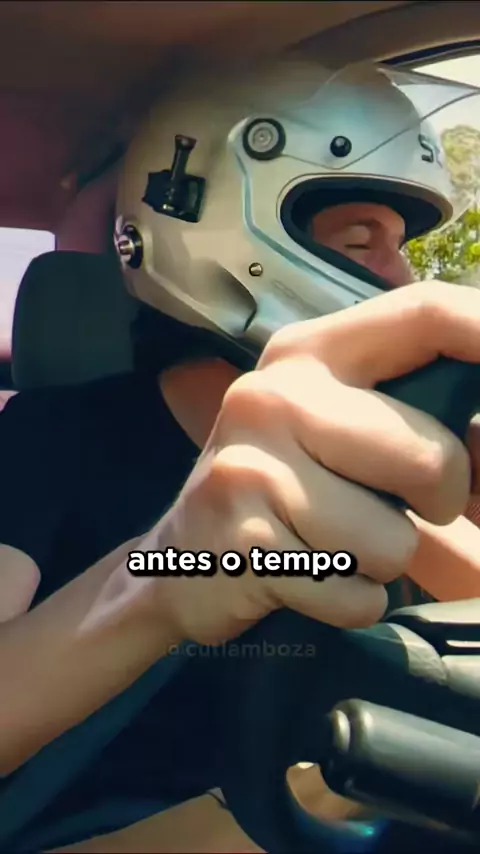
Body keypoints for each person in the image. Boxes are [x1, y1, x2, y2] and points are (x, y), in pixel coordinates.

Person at [1, 56, 480, 853]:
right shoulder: (53, 435)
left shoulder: (391, 455)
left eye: (400, 246)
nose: (400, 278)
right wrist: (162, 576)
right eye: (361, 241)